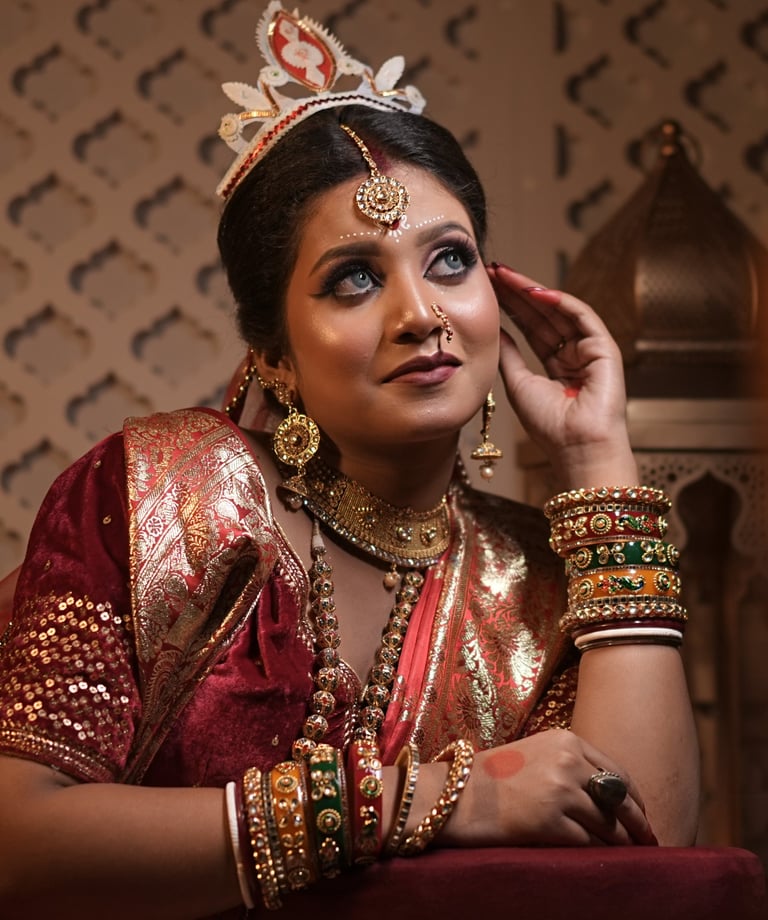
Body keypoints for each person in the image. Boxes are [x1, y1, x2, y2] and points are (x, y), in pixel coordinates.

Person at [0, 2, 699, 917]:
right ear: (277, 354)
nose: (421, 312)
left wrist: (597, 461)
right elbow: (22, 844)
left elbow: (644, 854)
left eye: (450, 261)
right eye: (355, 278)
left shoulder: (535, 576)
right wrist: (435, 802)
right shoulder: (160, 495)